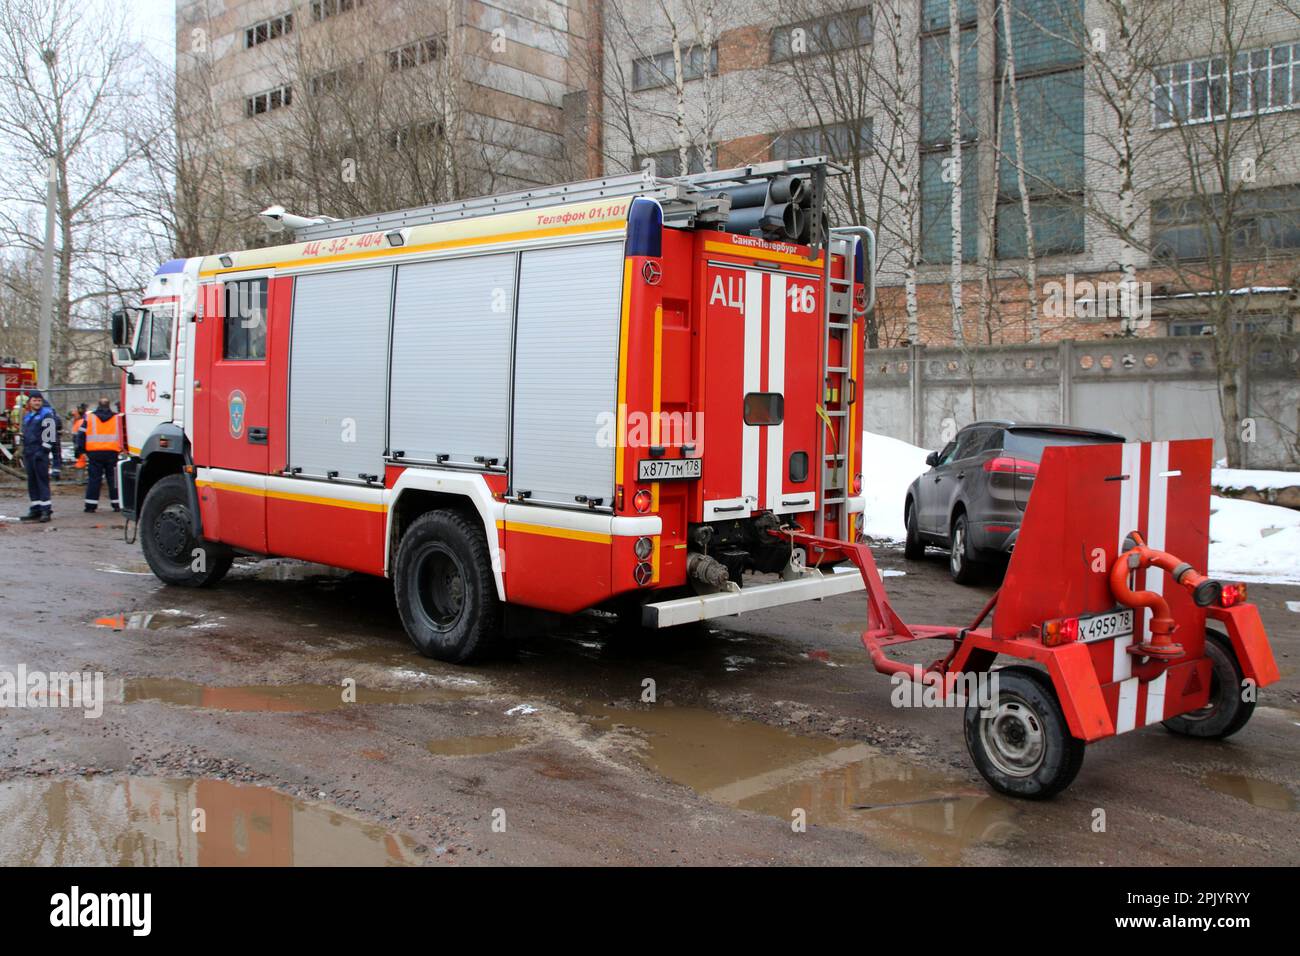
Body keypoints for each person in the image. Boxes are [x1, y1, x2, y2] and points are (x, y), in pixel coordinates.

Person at [19, 389, 57, 522]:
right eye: (35, 400)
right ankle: (35, 508)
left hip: (39, 454)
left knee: (42, 482)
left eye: (39, 400)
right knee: (32, 482)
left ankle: (46, 510)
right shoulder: (28, 416)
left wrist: (43, 451)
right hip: (29, 453)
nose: (37, 403)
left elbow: (51, 436)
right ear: (29, 402)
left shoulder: (46, 415)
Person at [82, 396, 123, 512]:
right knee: (113, 479)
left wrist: (81, 450)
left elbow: (81, 434)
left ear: (98, 405)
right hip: (112, 452)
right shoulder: (116, 418)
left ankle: (90, 505)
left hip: (94, 453)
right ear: (109, 405)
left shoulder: (90, 417)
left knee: (94, 479)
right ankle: (117, 504)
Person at [71, 403, 88, 469]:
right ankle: (80, 464)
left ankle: (80, 465)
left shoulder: (84, 417)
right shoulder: (77, 414)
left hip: (79, 433)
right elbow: (68, 416)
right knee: (79, 450)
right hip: (78, 432)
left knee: (79, 450)